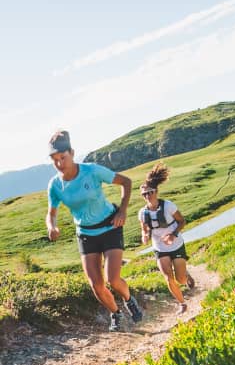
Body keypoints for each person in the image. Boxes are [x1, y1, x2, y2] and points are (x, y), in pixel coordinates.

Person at [45, 129, 143, 332]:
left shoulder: (92, 171)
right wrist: (51, 226)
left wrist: (122, 211)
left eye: (62, 158)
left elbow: (126, 182)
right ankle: (115, 314)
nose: (59, 164)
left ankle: (128, 299)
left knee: (113, 280)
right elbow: (51, 212)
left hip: (110, 226)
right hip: (86, 233)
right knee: (96, 285)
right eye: (54, 160)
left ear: (72, 153)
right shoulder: (55, 185)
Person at [138, 164, 194, 315]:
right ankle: (182, 303)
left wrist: (172, 234)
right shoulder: (142, 213)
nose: (147, 196)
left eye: (149, 193)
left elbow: (182, 221)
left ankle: (186, 275)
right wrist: (145, 236)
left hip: (176, 244)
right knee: (168, 278)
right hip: (160, 248)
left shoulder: (168, 206)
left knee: (180, 279)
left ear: (156, 192)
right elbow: (145, 229)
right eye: (144, 194)